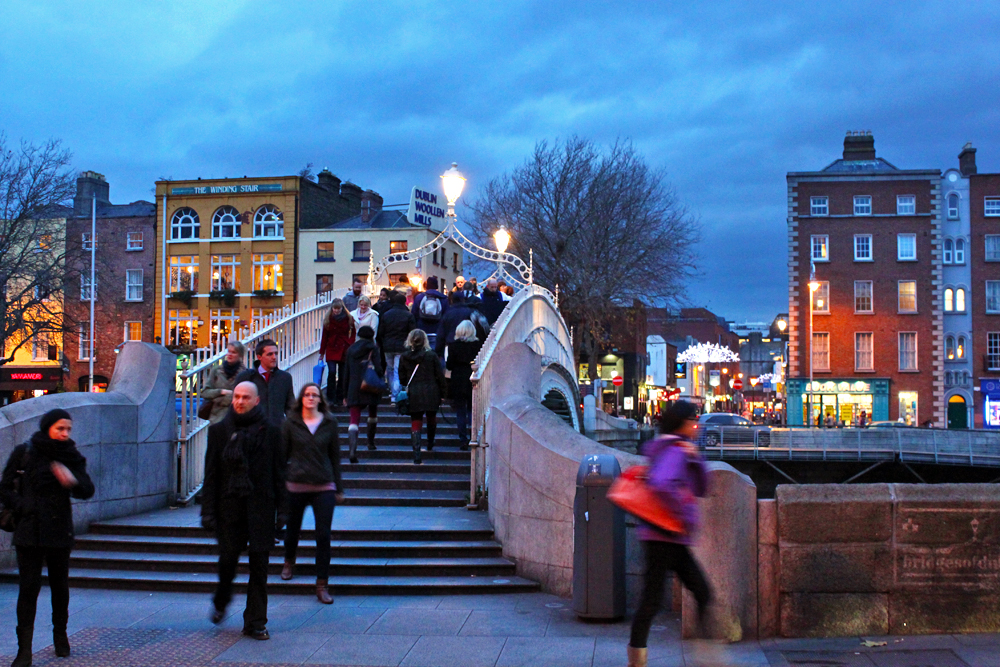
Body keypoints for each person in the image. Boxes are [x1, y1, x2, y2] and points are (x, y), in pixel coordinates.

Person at [0, 409, 94, 665]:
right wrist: (21, 506)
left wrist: (71, 481)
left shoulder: (71, 456)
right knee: (28, 588)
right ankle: (24, 650)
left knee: (59, 585)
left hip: (58, 529)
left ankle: (60, 634)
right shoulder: (26, 452)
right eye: (59, 429)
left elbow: (87, 489)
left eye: (68, 430)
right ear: (47, 428)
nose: (65, 434)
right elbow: (5, 486)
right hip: (29, 529)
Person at [628, 400, 712, 667]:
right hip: (665, 534)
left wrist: (694, 457)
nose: (697, 426)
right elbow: (662, 484)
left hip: (664, 534)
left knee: (667, 596)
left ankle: (639, 656)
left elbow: (701, 486)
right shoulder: (674, 451)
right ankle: (704, 654)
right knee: (671, 596)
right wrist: (682, 513)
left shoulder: (676, 449)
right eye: (694, 421)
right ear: (684, 423)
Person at [202, 381, 284, 640]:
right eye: (236, 396)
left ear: (256, 400)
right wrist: (207, 511)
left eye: (245, 397)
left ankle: (256, 622)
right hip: (229, 507)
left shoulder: (272, 432)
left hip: (260, 508)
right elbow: (211, 475)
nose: (239, 401)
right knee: (227, 560)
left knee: (259, 567)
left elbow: (279, 474)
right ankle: (221, 600)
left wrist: (283, 511)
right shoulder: (219, 431)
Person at [280, 383, 343, 604]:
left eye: (314, 395)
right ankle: (289, 561)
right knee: (293, 528)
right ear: (301, 398)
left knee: (323, 535)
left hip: (324, 485)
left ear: (320, 399)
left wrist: (339, 487)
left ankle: (322, 584)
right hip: (296, 484)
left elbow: (335, 456)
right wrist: (282, 483)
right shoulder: (291, 423)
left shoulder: (329, 422)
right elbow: (282, 455)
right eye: (306, 394)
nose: (310, 398)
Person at [398, 329, 448, 464]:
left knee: (416, 419)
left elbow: (402, 378)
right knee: (431, 417)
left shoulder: (404, 356)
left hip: (414, 391)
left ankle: (416, 453)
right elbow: (439, 375)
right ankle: (430, 442)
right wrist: (443, 393)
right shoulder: (431, 355)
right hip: (432, 390)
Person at [344, 326, 384, 463]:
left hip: (354, 386)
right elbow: (378, 368)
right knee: (372, 414)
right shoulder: (373, 348)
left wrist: (344, 393)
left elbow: (346, 372)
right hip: (370, 384)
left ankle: (352, 451)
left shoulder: (350, 350)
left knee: (354, 418)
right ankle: (370, 443)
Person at [235, 339, 296, 426]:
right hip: (252, 432)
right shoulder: (246, 377)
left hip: (277, 431)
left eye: (276, 353)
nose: (274, 357)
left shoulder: (285, 378)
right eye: (270, 354)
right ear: (259, 357)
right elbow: (235, 406)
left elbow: (290, 407)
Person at [445, 321, 482, 450]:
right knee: (472, 409)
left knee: (460, 411)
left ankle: (463, 439)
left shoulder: (454, 345)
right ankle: (474, 436)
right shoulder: (478, 345)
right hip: (472, 378)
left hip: (458, 379)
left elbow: (449, 364)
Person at [376, 291, 416, 403]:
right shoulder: (408, 315)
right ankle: (395, 394)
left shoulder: (386, 314)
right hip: (402, 345)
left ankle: (391, 389)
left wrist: (383, 343)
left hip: (388, 345)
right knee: (397, 370)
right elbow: (412, 332)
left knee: (390, 369)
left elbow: (381, 332)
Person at [318, 298, 356, 405]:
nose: (336, 311)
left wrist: (350, 343)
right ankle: (331, 397)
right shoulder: (328, 319)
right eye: (335, 309)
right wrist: (322, 352)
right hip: (331, 348)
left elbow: (353, 332)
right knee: (332, 372)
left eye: (338, 309)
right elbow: (324, 336)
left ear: (342, 308)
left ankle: (340, 397)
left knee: (342, 374)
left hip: (344, 348)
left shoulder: (348, 318)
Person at [201, 341, 247, 424]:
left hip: (237, 418)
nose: (230, 354)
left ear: (240, 355)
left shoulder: (245, 373)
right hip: (217, 418)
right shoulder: (216, 370)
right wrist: (221, 392)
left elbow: (247, 396)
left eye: (233, 352)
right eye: (229, 351)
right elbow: (205, 392)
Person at [411, 276, 449, 347]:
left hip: (422, 331)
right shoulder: (443, 298)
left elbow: (414, 314)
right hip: (438, 331)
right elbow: (447, 316)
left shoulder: (419, 297)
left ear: (426, 286)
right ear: (437, 286)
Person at [434, 292, 473, 357]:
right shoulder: (469, 312)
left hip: (451, 344)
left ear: (452, 300)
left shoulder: (448, 314)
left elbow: (441, 334)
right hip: (467, 344)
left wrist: (438, 352)